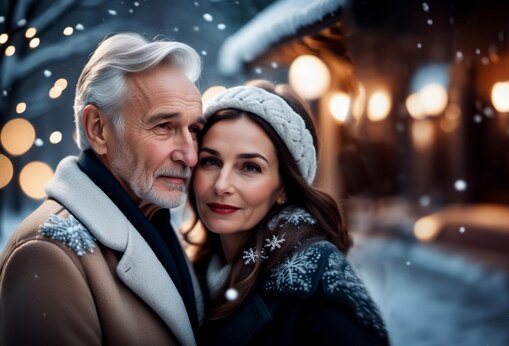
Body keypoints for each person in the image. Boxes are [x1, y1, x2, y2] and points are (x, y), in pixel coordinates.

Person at [0, 32, 205, 345]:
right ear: (98, 129)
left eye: (194, 129)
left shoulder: (156, 225)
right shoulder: (47, 253)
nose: (189, 156)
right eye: (164, 126)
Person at [187, 80, 389, 345]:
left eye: (249, 167)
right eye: (211, 161)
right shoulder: (196, 271)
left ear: (284, 187)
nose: (222, 185)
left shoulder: (317, 285)